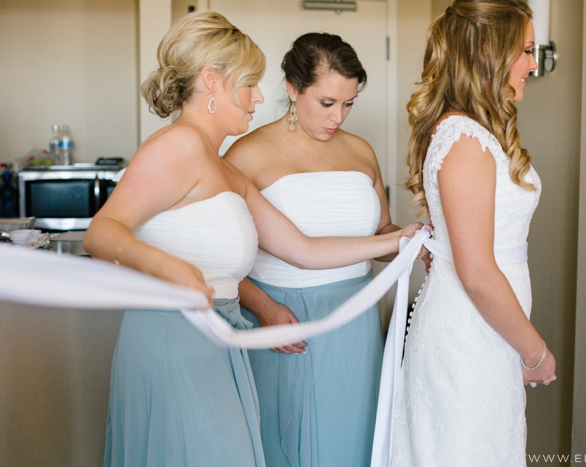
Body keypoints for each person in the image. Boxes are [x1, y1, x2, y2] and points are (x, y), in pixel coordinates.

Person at [82, 12, 420, 467]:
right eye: (250, 84)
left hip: (222, 336)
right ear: (211, 82)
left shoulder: (221, 168)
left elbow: (303, 250)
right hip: (175, 337)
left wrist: (406, 240)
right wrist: (170, 268)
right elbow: (101, 232)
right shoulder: (178, 146)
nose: (260, 96)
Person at [223, 32, 415, 467]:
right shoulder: (247, 154)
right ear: (292, 89)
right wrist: (265, 309)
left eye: (348, 104)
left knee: (352, 437)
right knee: (289, 438)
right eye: (327, 103)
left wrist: (415, 241)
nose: (338, 117)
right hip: (285, 316)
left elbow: (382, 230)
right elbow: (222, 257)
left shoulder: (361, 152)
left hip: (356, 314)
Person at [389, 1, 557, 465]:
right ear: (488, 50)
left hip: (485, 329)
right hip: (468, 334)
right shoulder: (466, 140)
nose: (531, 63)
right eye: (524, 50)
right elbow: (478, 271)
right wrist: (535, 352)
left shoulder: (473, 130)